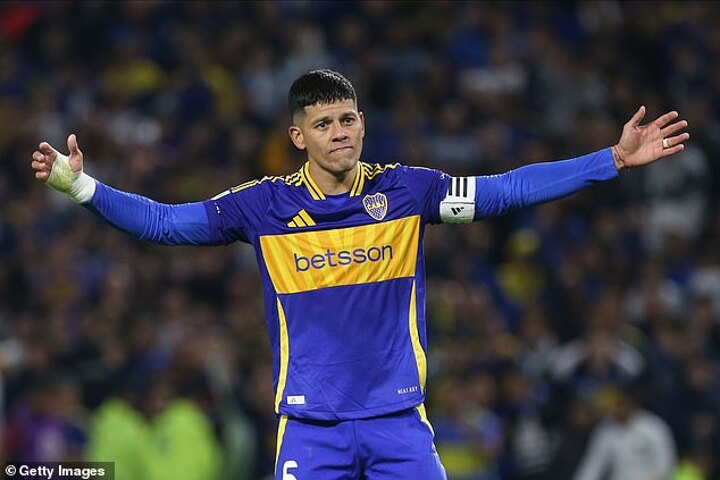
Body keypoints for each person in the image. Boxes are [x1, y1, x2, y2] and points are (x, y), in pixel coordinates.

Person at [31, 69, 689, 480]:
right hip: (310, 430)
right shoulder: (263, 207)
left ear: (363, 123)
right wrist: (82, 188)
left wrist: (610, 159)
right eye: (323, 124)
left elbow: (506, 189)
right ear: (299, 137)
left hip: (397, 424)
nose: (339, 132)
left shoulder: (408, 193)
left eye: (347, 119)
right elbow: (165, 224)